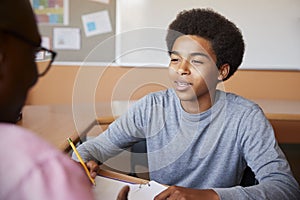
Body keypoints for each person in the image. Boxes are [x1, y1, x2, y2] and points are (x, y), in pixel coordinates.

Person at [73, 8, 300, 199]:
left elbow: (285, 188)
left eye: (197, 61)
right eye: (174, 59)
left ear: (221, 72)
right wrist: (82, 162)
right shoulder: (152, 107)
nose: (181, 69)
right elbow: (97, 147)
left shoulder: (245, 117)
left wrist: (206, 196)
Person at [0, 0, 95, 199]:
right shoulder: (41, 170)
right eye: (32, 53)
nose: (34, 76)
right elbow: (100, 145)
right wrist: (67, 177)